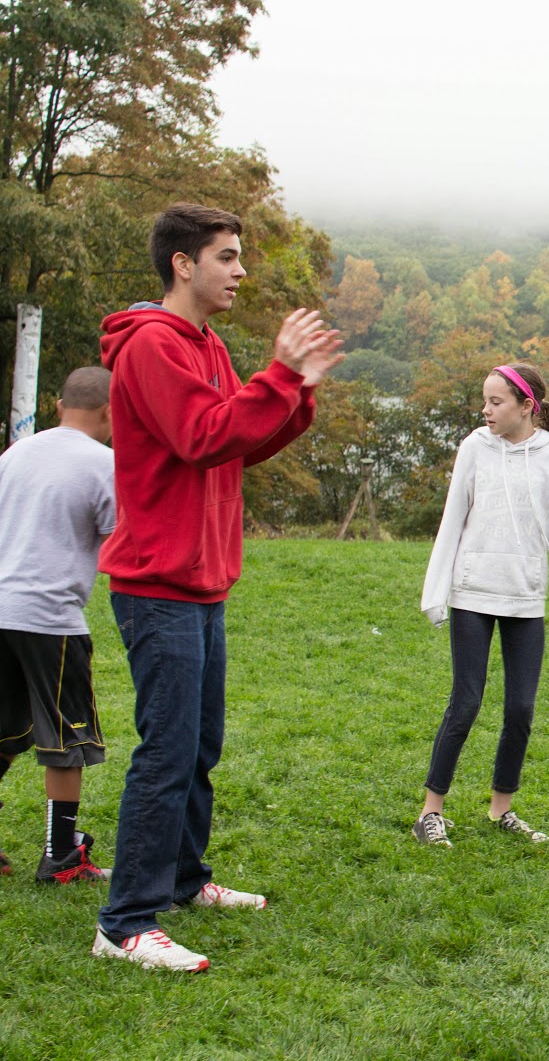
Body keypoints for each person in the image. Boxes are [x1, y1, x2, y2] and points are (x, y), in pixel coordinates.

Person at [92, 203, 344, 973]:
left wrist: (293, 387)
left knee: (198, 745)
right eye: (227, 257)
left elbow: (237, 439)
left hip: (201, 583)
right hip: (157, 583)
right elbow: (204, 434)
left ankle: (183, 878)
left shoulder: (203, 345)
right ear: (183, 264)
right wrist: (276, 374)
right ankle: (126, 922)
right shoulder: (151, 349)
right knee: (166, 750)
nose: (239, 272)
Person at [416, 363, 549, 850]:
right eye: (484, 401)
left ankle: (501, 807)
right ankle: (429, 812)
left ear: (527, 407)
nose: (485, 410)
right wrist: (435, 592)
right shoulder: (474, 447)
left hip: (524, 597)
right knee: (466, 703)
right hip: (472, 594)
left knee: (521, 708)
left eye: (496, 402)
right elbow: (452, 520)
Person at [0, 367, 116, 885]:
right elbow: (122, 541)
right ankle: (61, 853)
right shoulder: (106, 465)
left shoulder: (15, 453)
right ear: (113, 412)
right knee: (66, 740)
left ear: (58, 403)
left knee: (1, 732)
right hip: (51, 620)